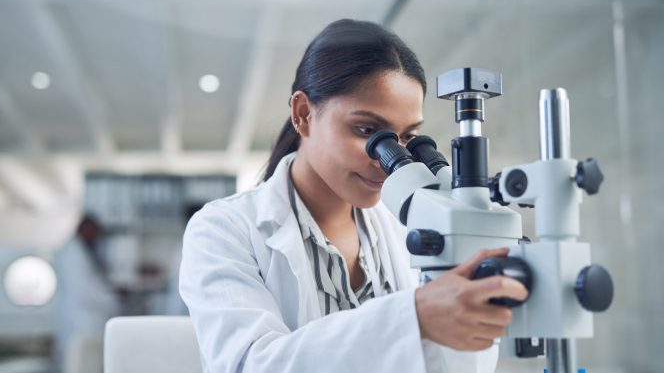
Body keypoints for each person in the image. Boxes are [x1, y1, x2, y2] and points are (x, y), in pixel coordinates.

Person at [180, 19, 527, 373]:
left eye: (406, 138)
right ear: (303, 114)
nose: (386, 160)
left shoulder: (402, 226)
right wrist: (413, 318)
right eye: (367, 131)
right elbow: (249, 365)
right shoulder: (222, 229)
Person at [54, 214, 122, 373]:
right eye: (94, 231)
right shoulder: (73, 253)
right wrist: (113, 299)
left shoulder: (82, 251)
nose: (96, 237)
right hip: (82, 323)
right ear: (84, 228)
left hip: (86, 323)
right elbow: (84, 290)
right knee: (81, 365)